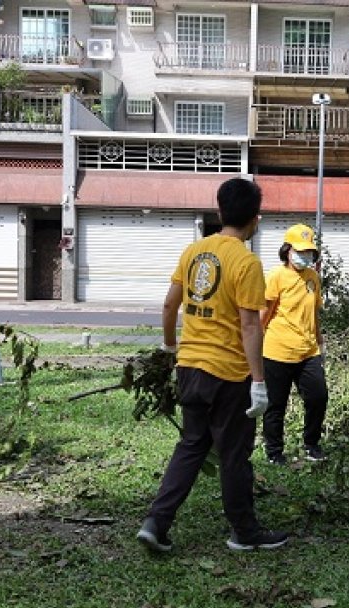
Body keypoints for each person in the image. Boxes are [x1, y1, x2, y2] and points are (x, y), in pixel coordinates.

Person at [137, 178, 288, 552]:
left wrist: (172, 347)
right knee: (235, 454)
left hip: (189, 367)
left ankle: (156, 522)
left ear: (220, 212)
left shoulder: (193, 252)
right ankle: (245, 531)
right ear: (256, 219)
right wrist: (258, 380)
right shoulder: (247, 262)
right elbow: (250, 324)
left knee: (191, 444)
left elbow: (170, 306)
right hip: (229, 375)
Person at [260, 223, 328, 465]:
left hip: (309, 351)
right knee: (276, 405)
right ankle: (274, 452)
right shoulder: (276, 277)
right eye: (299, 251)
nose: (304, 256)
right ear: (287, 250)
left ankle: (311, 445)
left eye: (308, 252)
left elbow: (314, 313)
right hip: (277, 351)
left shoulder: (313, 278)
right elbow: (264, 315)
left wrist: (320, 343)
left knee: (318, 398)